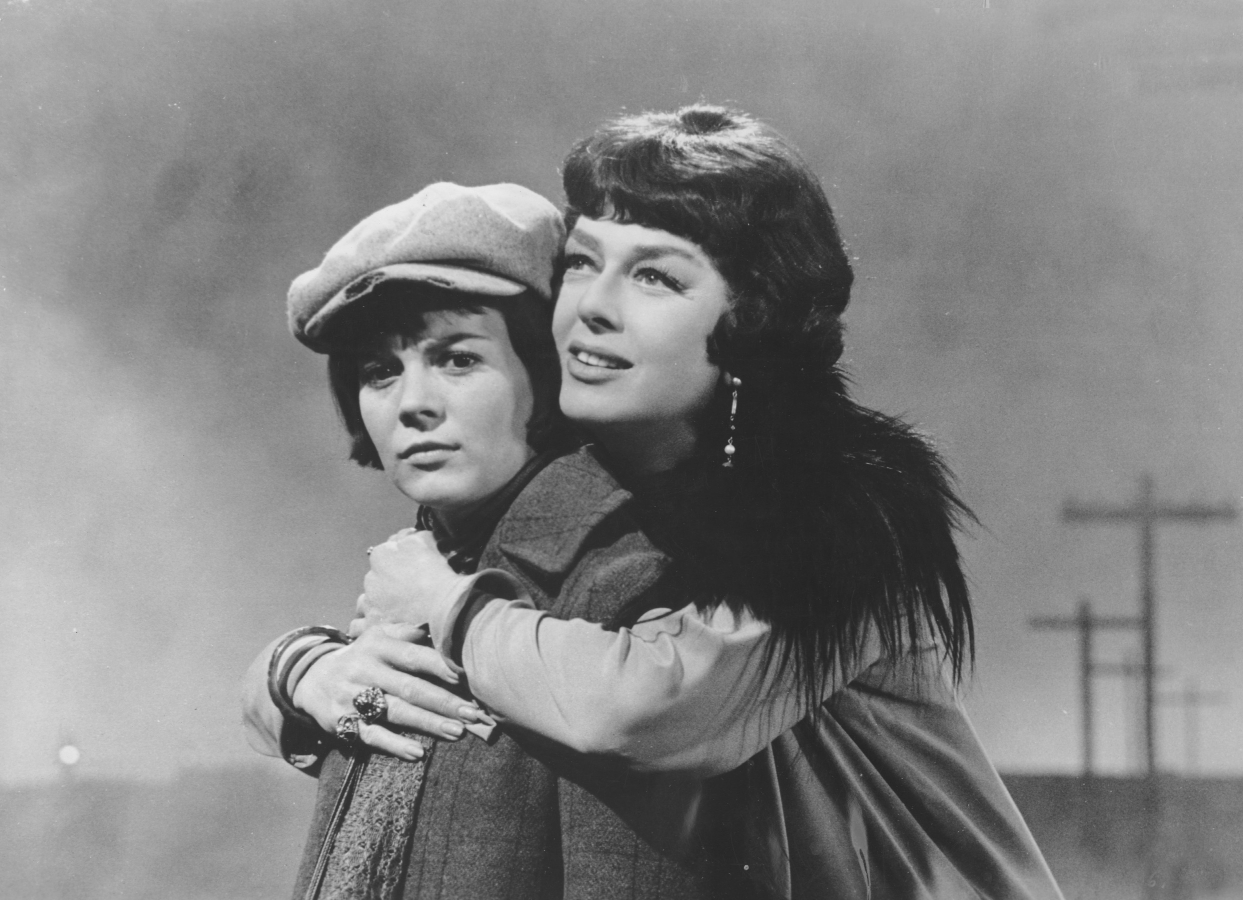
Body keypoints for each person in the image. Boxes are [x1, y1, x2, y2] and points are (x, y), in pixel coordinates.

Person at [246, 107, 1063, 898]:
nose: (592, 308)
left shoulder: (835, 508)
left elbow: (646, 709)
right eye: (581, 263)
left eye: (654, 276)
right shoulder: (570, 514)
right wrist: (301, 669)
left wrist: (447, 606)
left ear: (750, 318)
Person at [245, 179, 781, 900]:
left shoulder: (622, 586)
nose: (413, 404)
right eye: (380, 372)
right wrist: (301, 670)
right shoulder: (420, 576)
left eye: (458, 359)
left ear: (549, 369)